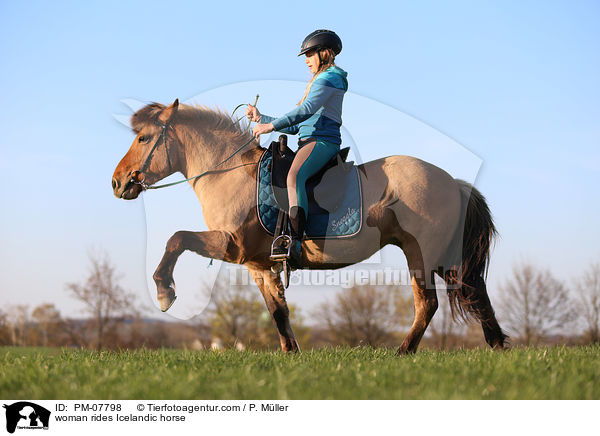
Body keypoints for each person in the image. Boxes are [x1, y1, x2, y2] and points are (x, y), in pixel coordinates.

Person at [246, 29, 348, 268]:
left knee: (294, 177)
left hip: (321, 142)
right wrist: (263, 118)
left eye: (310, 54)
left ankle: (296, 242)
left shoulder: (329, 77)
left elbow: (306, 110)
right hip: (308, 139)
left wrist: (271, 126)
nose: (306, 60)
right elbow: (299, 125)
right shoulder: (318, 80)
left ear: (325, 53)